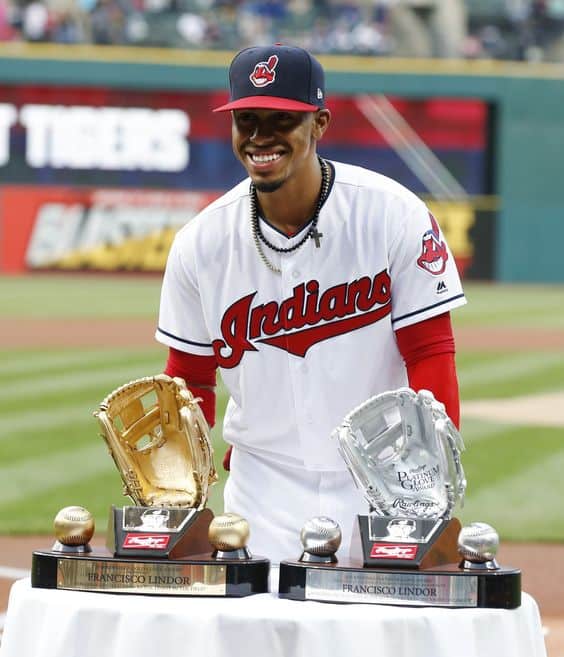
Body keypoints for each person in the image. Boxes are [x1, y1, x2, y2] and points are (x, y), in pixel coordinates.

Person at [155, 44, 466, 563]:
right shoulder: (201, 242)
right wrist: (173, 496)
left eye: (281, 119)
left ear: (319, 123)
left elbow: (431, 353)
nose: (260, 137)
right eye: (246, 120)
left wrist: (428, 487)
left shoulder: (392, 214)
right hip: (260, 488)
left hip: (384, 483)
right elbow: (189, 377)